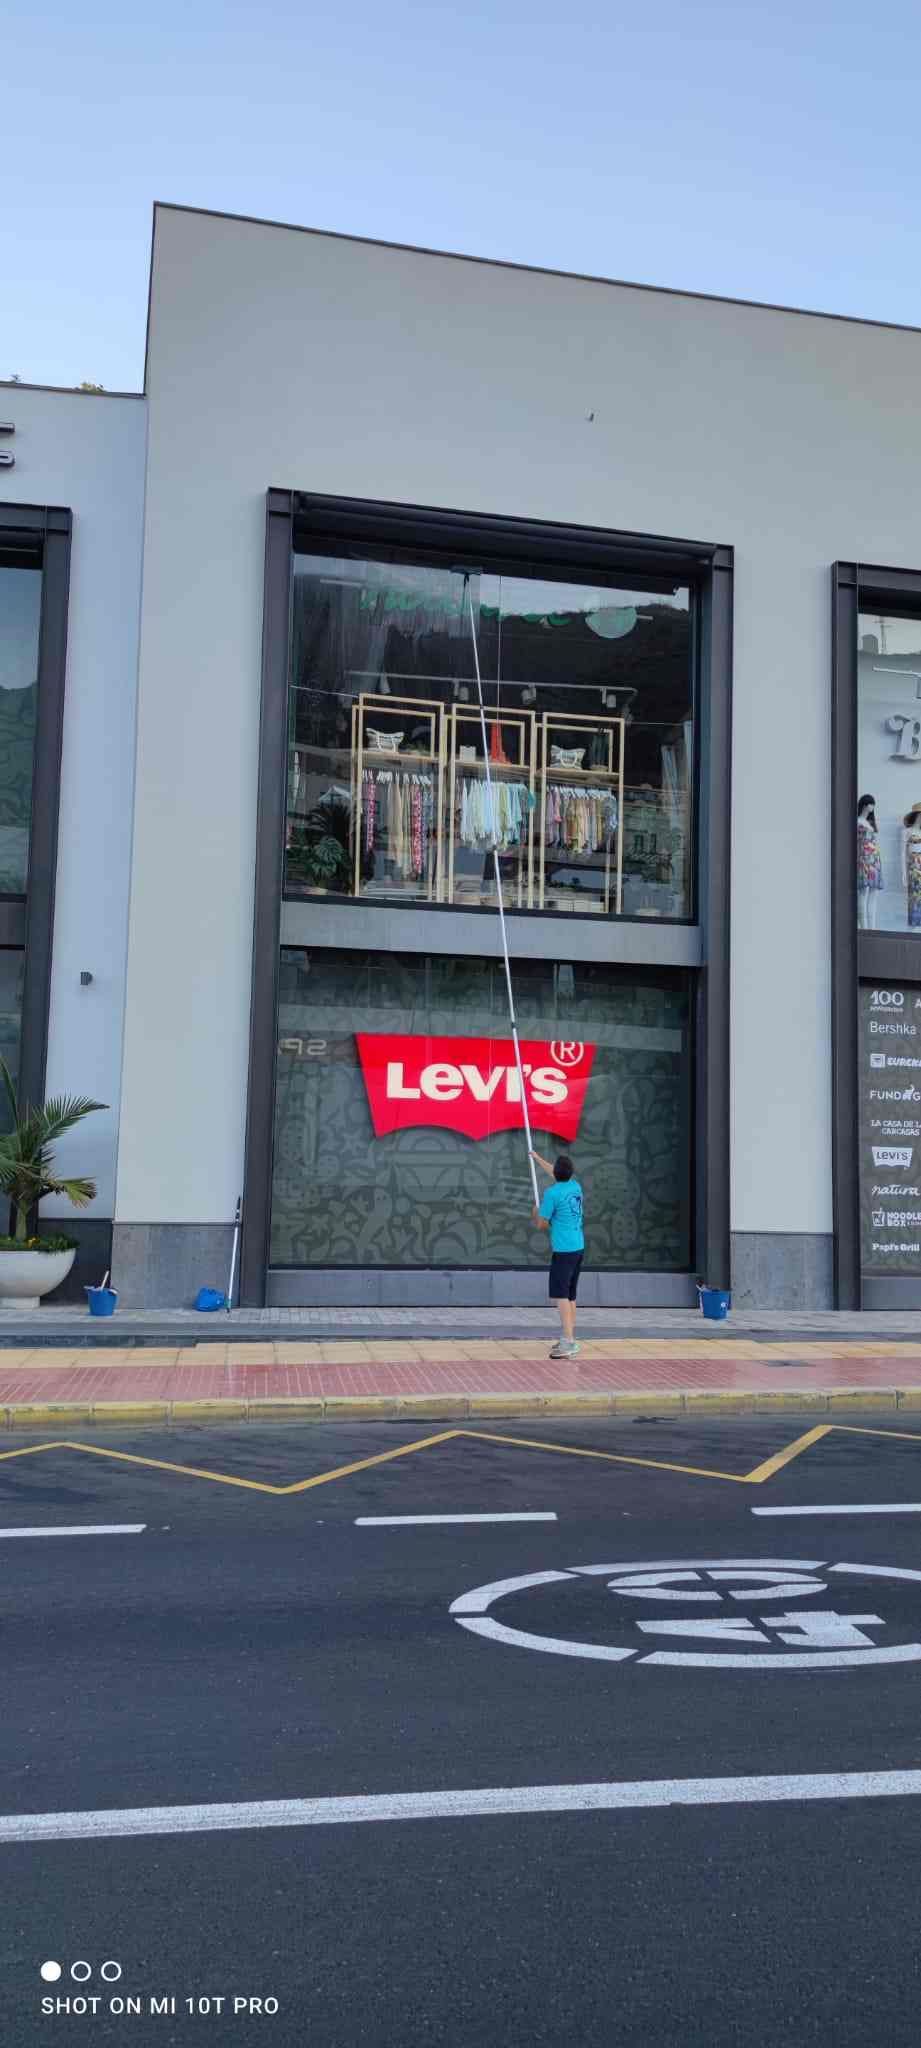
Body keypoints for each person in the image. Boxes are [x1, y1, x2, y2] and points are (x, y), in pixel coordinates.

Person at [530, 1148, 585, 1358]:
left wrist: (535, 1213)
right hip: (578, 1247)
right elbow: (556, 1172)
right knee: (571, 1295)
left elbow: (542, 1225)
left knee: (561, 1295)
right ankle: (569, 1337)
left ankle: (569, 1342)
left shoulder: (552, 1194)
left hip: (563, 1251)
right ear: (570, 1172)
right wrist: (537, 1159)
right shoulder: (575, 1186)